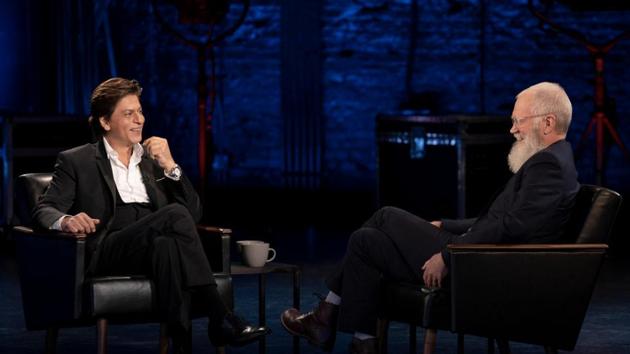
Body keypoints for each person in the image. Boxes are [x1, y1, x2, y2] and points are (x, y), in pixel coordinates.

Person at [281, 82, 580, 354]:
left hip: (484, 268)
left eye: (518, 120)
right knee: (365, 240)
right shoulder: (552, 161)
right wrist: (446, 226)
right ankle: (362, 342)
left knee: (385, 216)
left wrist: (447, 255)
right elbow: (497, 220)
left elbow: (512, 228)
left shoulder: (548, 165)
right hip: (480, 257)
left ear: (548, 122)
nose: (512, 129)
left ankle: (324, 317)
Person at [33, 77, 269, 353]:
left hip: (151, 247)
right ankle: (221, 316)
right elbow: (43, 209)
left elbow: (193, 214)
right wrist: (67, 220)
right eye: (128, 113)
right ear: (105, 122)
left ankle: (183, 344)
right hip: (109, 249)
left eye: (140, 111)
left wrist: (170, 166)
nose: (139, 120)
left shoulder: (152, 159)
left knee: (167, 245)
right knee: (173, 216)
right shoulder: (76, 160)